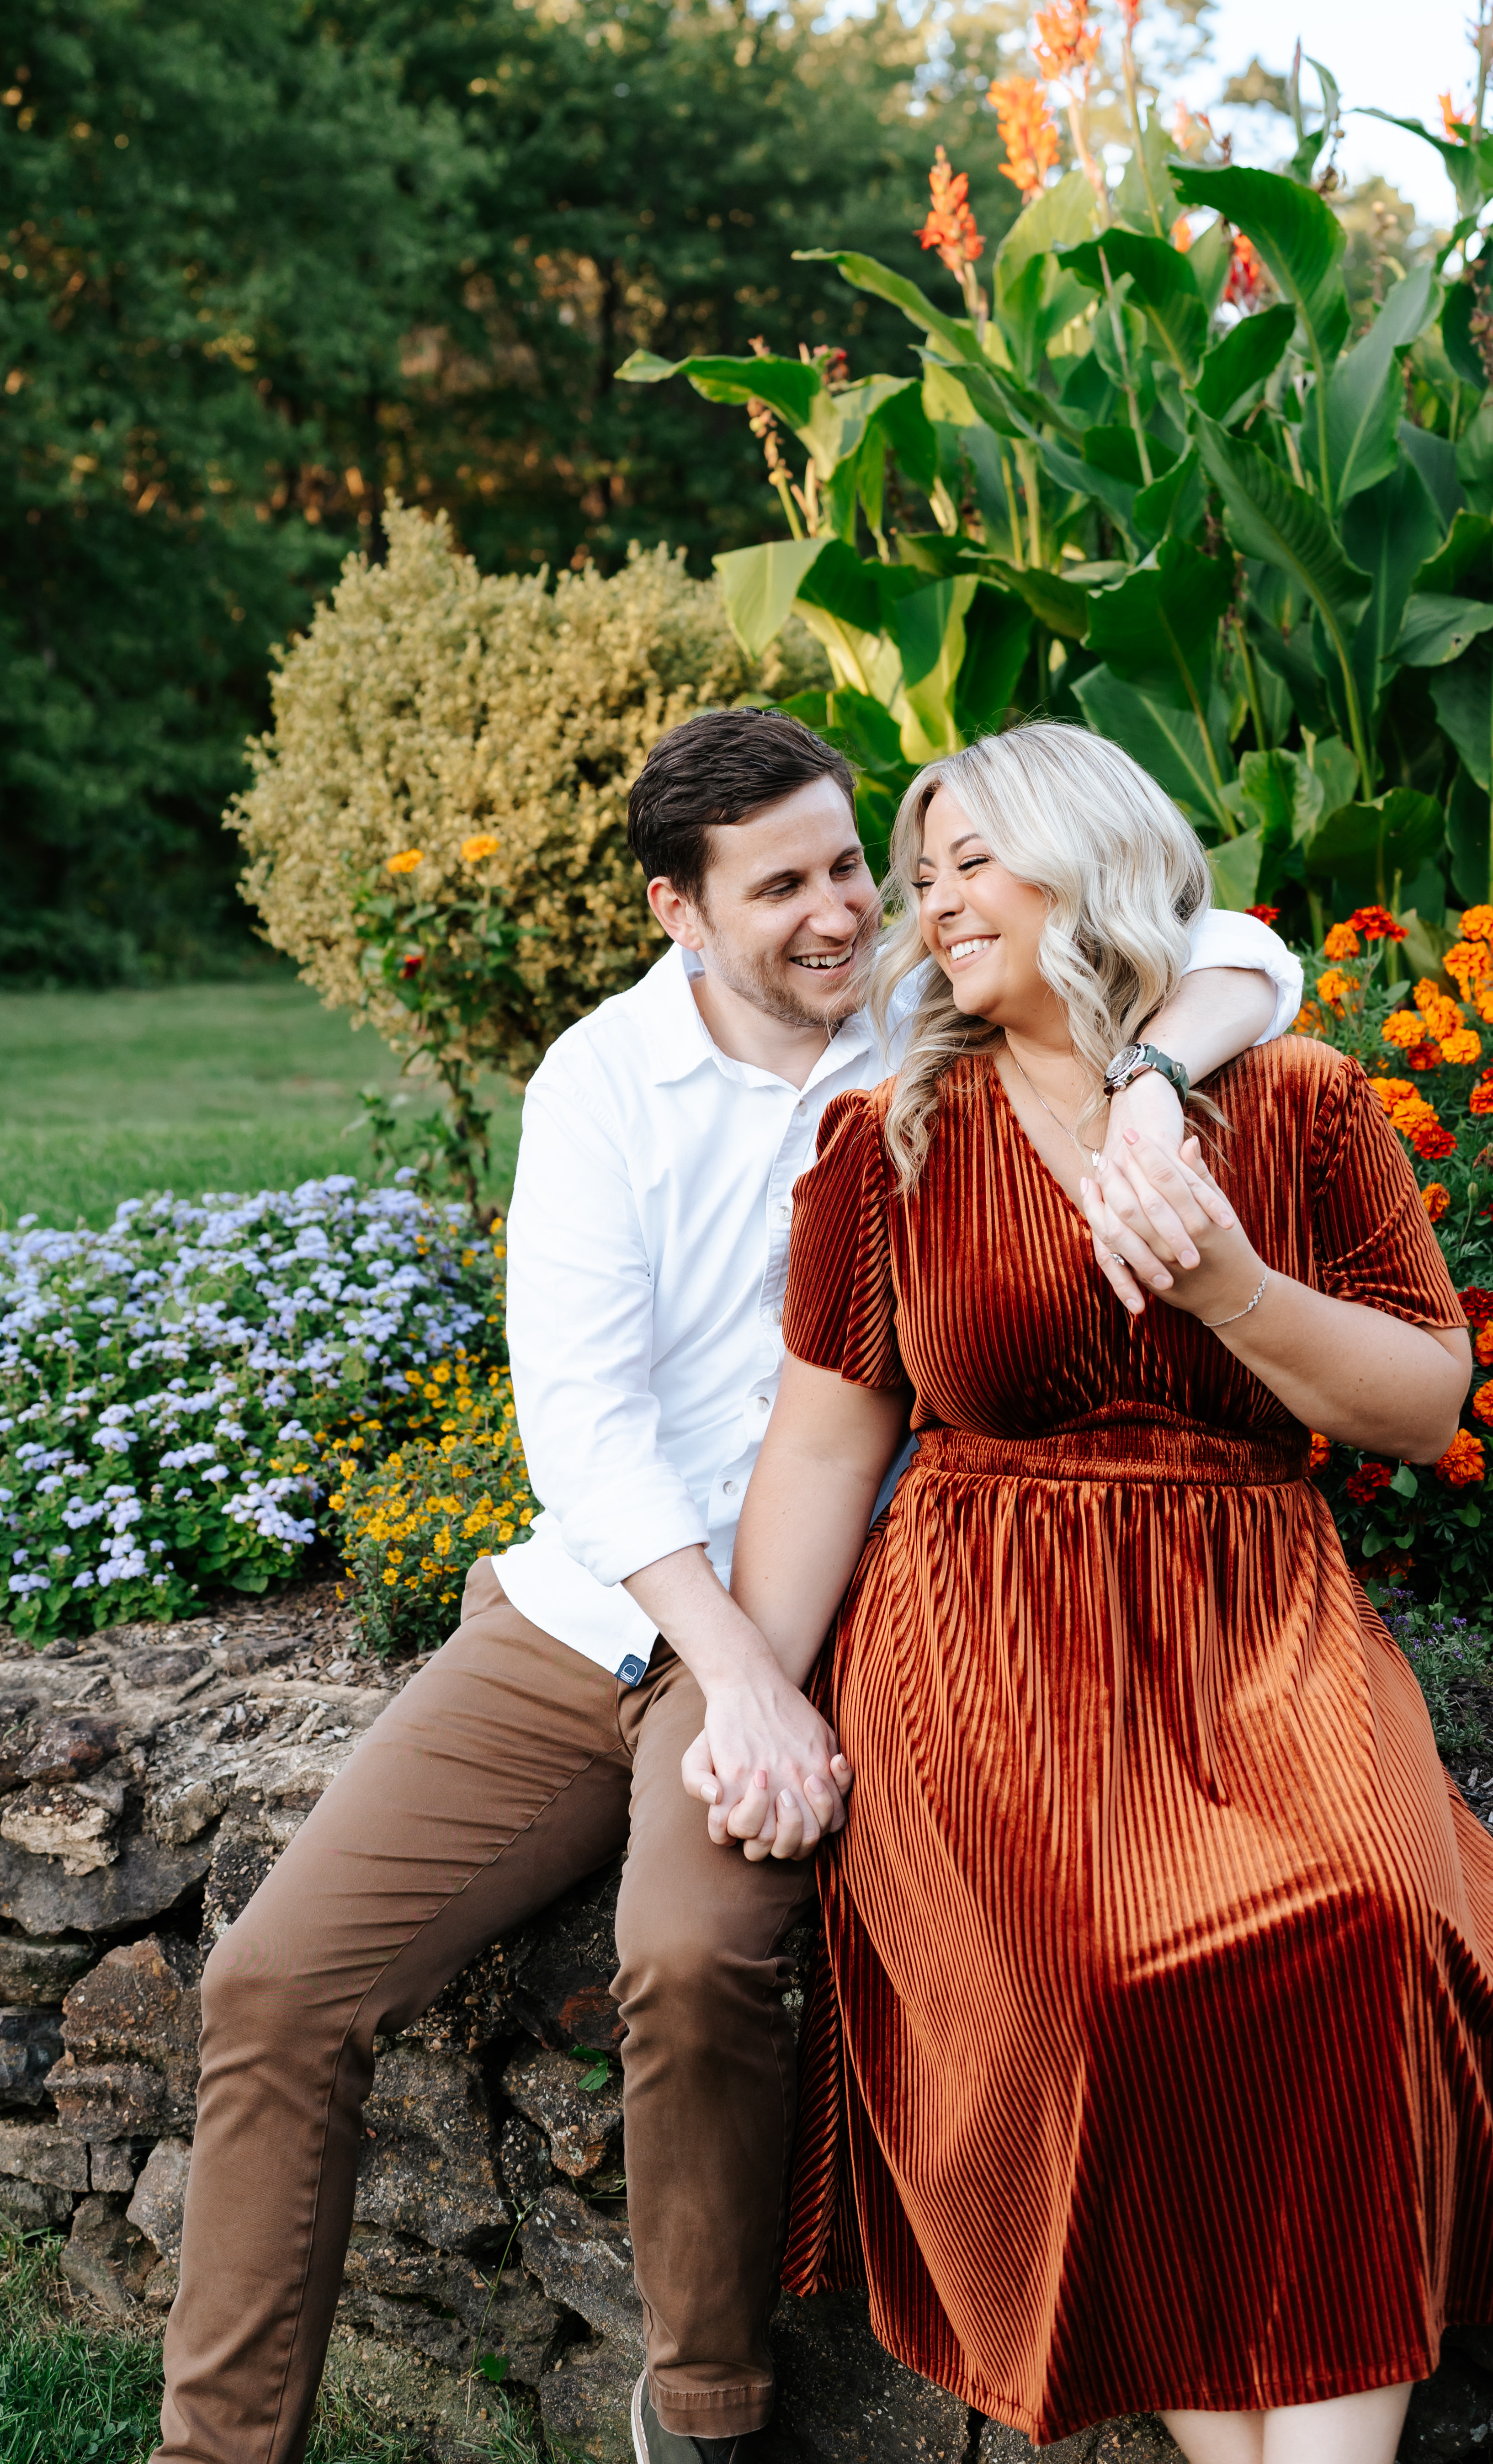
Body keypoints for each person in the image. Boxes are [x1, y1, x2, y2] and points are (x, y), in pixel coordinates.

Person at [154, 707, 1301, 2464]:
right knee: (273, 1986)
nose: (844, 914)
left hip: (829, 1593)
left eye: (854, 865)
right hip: (602, 1606)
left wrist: (1153, 1076)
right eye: (785, 889)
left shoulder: (931, 1010)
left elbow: (1235, 942)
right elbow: (587, 1435)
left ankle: (703, 2413)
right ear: (681, 914)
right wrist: (735, 1681)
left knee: (689, 1956)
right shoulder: (599, 1086)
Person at [703, 725, 1493, 2464]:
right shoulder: (889, 1136)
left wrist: (1240, 1290)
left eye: (972, 856)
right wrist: (752, 1689)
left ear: (1088, 855)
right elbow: (824, 1454)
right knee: (1108, 1982)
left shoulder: (1301, 1102)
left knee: (1358, 1933)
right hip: (985, 1638)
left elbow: (1423, 1406)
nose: (933, 900)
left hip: (1254, 1621)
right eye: (924, 872)